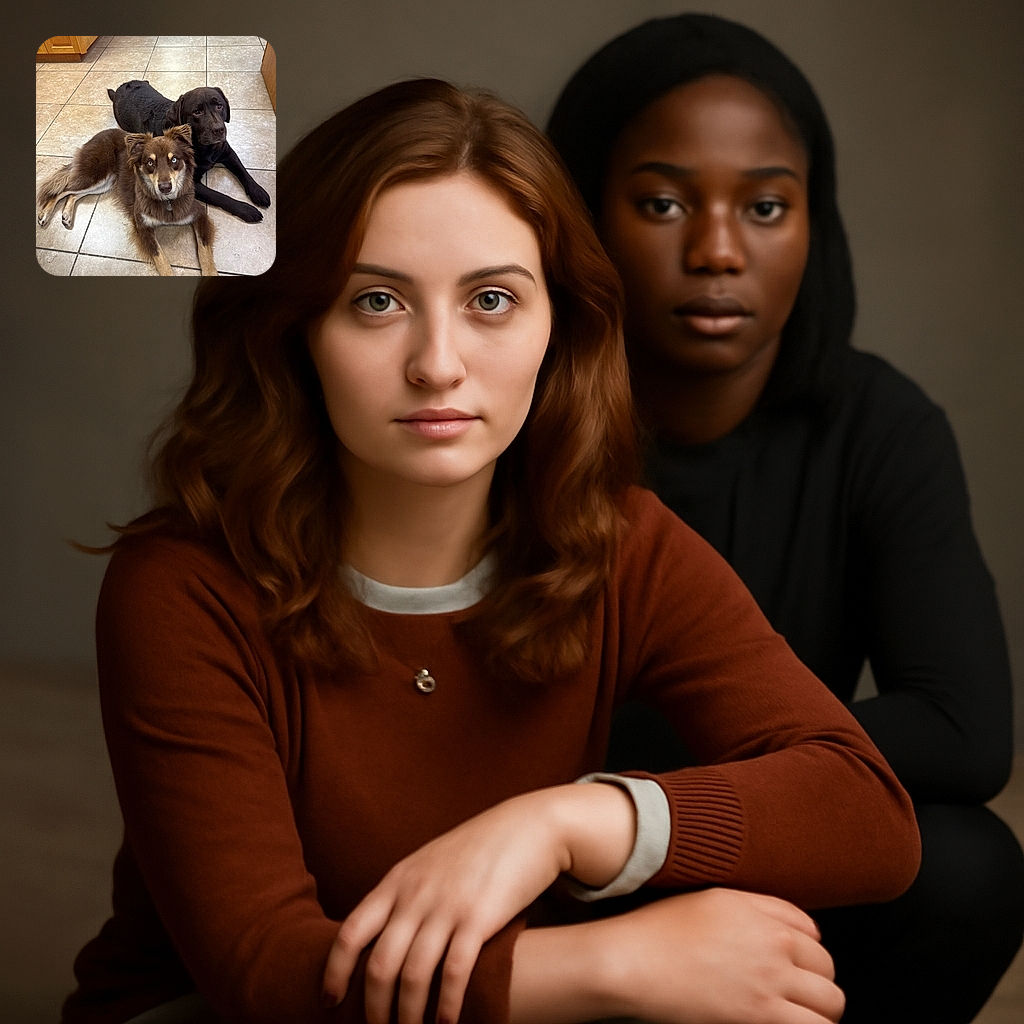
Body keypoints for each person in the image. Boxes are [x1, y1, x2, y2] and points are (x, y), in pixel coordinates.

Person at [62, 78, 920, 1024]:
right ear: (296, 329)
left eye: (493, 300)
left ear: (561, 326)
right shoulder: (181, 587)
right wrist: (619, 964)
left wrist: (564, 824)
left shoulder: (617, 540)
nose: (438, 363)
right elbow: (269, 977)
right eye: (378, 301)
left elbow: (869, 817)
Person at [548, 13, 1024, 1023]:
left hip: (745, 837)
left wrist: (664, 795)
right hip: (544, 856)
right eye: (663, 201)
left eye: (765, 205)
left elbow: (964, 731)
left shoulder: (879, 424)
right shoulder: (508, 410)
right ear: (581, 212)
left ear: (816, 225)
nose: (718, 250)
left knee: (967, 864)